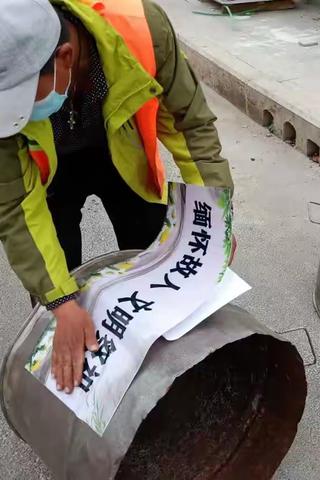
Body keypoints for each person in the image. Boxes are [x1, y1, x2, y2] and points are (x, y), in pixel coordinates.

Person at [0, 0, 234, 395]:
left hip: (120, 154)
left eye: (19, 104)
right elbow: (14, 209)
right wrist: (60, 303)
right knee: (59, 294)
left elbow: (190, 124)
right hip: (51, 173)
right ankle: (79, 365)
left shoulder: (143, 29)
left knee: (153, 253)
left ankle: (168, 365)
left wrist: (215, 219)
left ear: (65, 56)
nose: (12, 119)